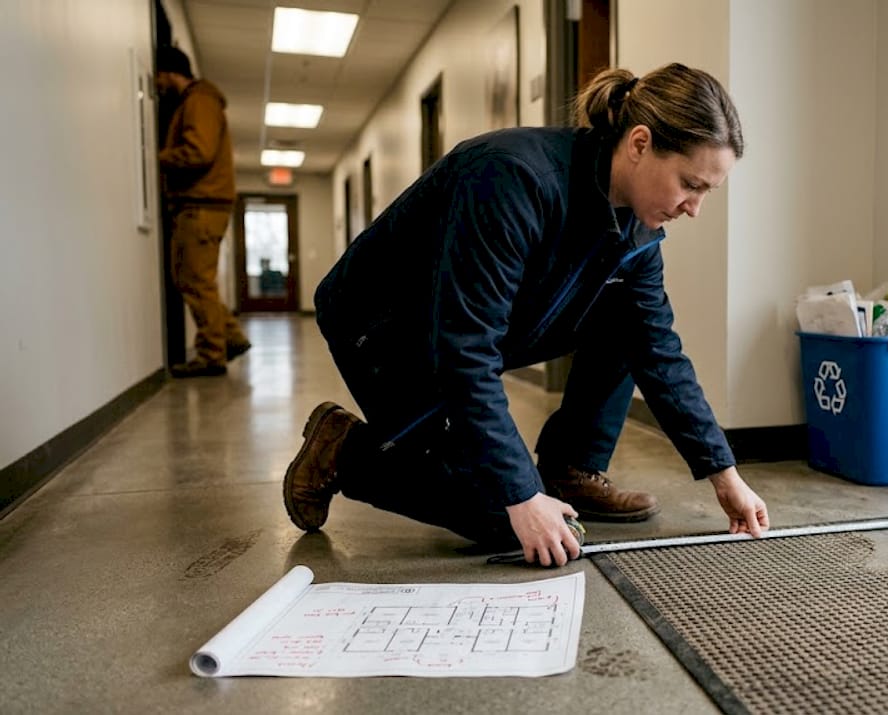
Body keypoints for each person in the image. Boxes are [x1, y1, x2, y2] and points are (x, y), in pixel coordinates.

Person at [284, 63, 769, 567]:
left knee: (631, 323)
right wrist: (519, 495)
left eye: (707, 191)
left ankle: (570, 469)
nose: (695, 207)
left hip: (469, 329)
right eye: (691, 184)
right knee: (504, 517)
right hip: (384, 329)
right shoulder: (511, 179)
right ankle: (343, 451)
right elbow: (465, 352)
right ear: (640, 143)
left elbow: (658, 349)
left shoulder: (638, 230)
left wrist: (725, 473)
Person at [155, 45, 251, 378]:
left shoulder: (198, 101)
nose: (157, 84)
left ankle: (212, 354)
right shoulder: (198, 101)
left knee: (195, 280)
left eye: (158, 77)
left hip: (201, 203)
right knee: (195, 279)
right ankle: (230, 338)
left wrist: (159, 158)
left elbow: (199, 151)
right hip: (202, 203)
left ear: (168, 72)